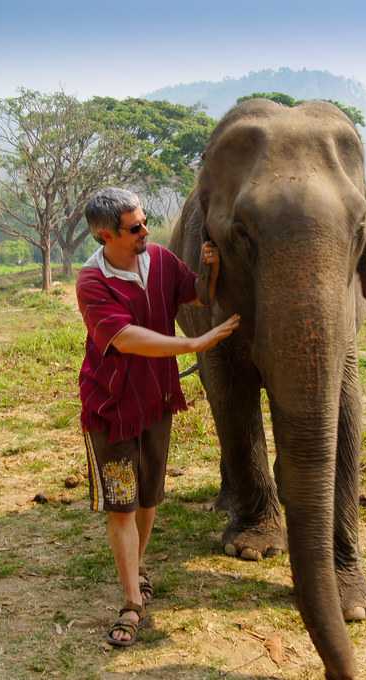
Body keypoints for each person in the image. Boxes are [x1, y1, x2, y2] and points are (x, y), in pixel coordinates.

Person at [75, 187, 239, 647]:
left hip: (155, 404)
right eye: (135, 228)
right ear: (106, 235)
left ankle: (136, 570)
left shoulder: (161, 261)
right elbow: (126, 338)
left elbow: (197, 295)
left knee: (148, 500)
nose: (146, 231)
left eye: (145, 221)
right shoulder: (92, 281)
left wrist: (210, 266)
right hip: (112, 411)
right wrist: (192, 345)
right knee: (122, 505)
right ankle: (131, 602)